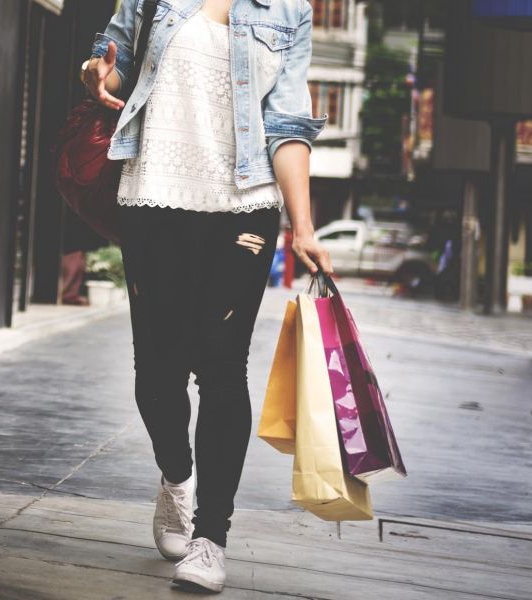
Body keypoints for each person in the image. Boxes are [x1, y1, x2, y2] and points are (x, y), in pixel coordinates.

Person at [82, 0, 333, 592]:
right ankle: (177, 477)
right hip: (154, 195)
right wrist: (98, 76)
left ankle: (210, 538)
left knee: (222, 367)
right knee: (159, 373)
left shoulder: (289, 11)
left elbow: (289, 125)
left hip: (243, 209)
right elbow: (112, 62)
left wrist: (304, 226)